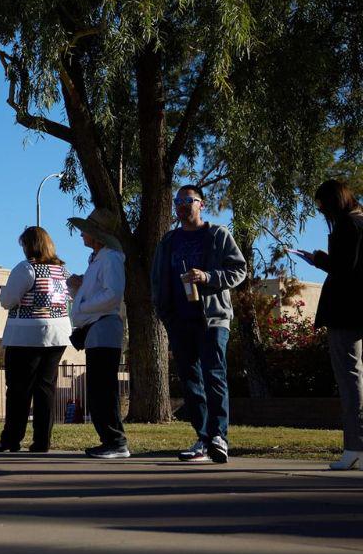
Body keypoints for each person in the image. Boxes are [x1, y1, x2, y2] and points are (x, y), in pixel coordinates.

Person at [151, 184, 248, 464]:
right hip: (180, 320)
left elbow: (239, 269)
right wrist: (165, 315)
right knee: (190, 380)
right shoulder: (168, 241)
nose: (181, 206)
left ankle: (219, 437)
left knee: (214, 375)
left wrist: (208, 277)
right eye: (177, 202)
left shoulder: (217, 235)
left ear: (201, 204)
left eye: (188, 201)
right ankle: (202, 439)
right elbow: (157, 281)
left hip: (212, 318)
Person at [299, 180, 363, 470]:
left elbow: (342, 268)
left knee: (350, 380)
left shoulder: (347, 226)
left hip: (345, 312)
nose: (320, 211)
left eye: (321, 206)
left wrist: (319, 259)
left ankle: (355, 447)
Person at [0, 226, 71, 454]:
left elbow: (9, 300)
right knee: (45, 388)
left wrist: (3, 291)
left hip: (26, 335)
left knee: (18, 389)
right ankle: (42, 441)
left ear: (29, 245)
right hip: (58, 334)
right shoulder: (62, 271)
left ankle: (11, 439)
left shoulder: (26, 268)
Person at [68, 208, 130, 459]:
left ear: (96, 235)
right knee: (97, 388)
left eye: (86, 230)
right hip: (96, 327)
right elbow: (101, 294)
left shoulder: (110, 258)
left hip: (104, 326)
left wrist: (81, 305)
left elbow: (113, 294)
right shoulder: (97, 259)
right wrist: (78, 291)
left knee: (103, 388)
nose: (82, 234)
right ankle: (110, 439)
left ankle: (115, 441)